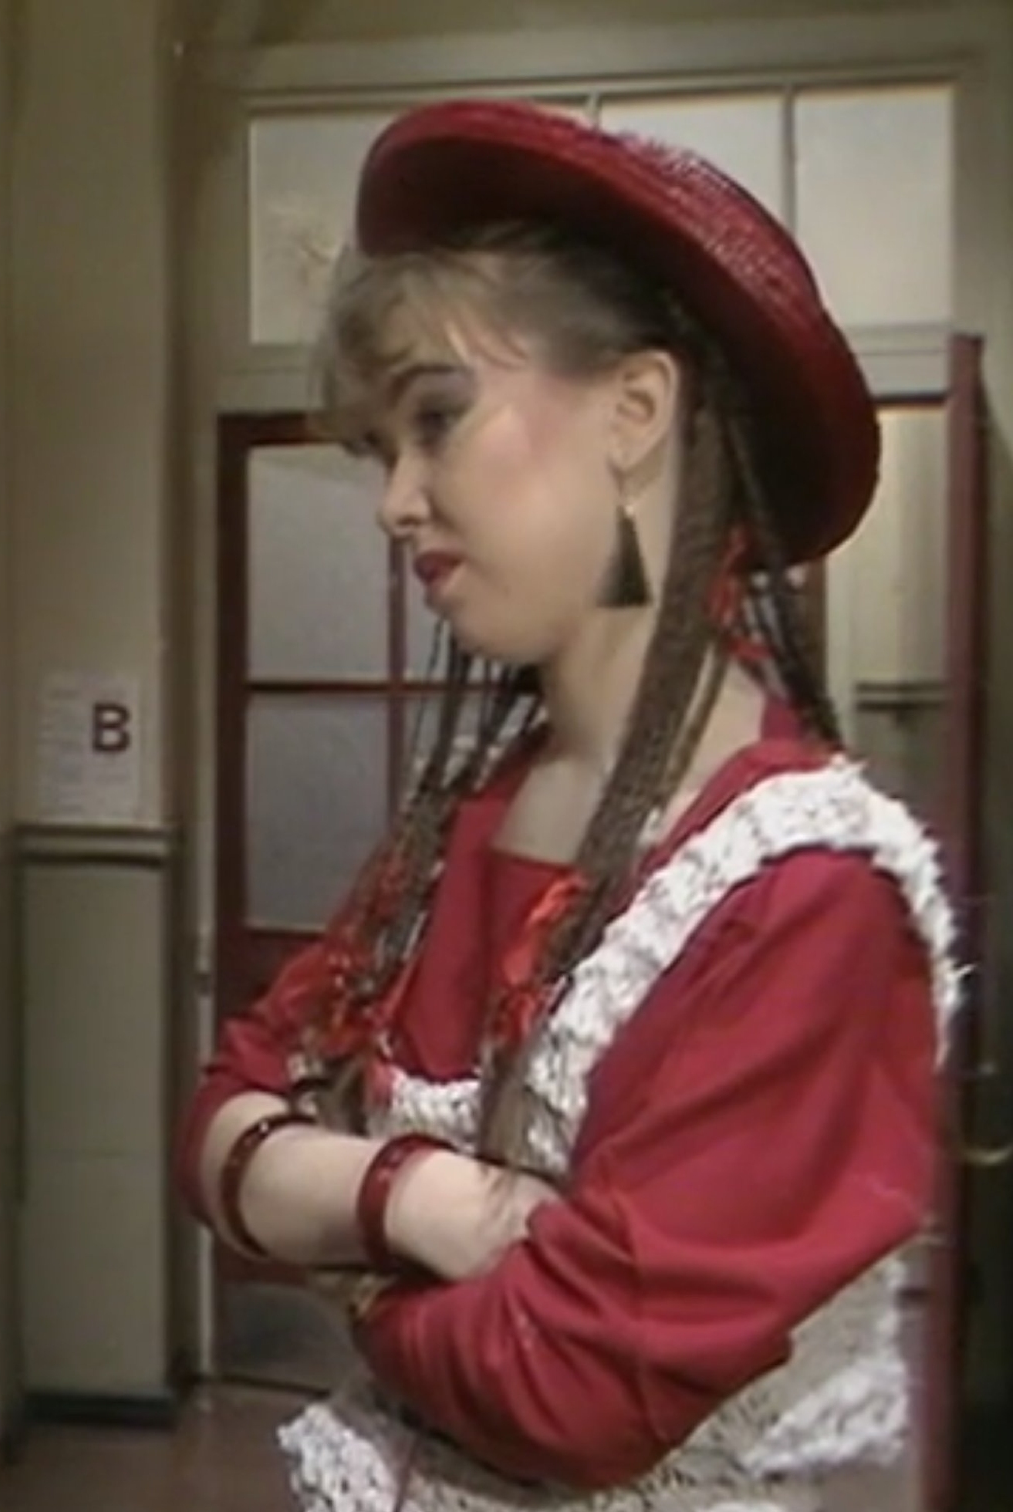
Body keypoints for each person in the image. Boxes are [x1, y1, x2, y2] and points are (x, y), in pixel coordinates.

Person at [178, 100, 956, 1511]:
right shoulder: (467, 823)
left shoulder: (808, 892)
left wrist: (338, 1251)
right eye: (382, 450)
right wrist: (424, 1205)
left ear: (635, 412)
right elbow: (223, 1119)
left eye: (437, 421)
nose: (396, 501)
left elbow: (569, 1387)